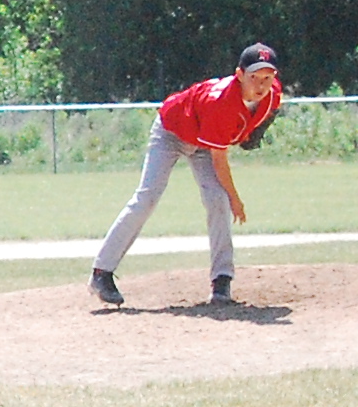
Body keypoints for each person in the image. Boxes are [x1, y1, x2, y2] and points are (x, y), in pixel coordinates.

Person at [89, 42, 285, 307]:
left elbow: (265, 111)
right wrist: (236, 199)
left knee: (216, 199)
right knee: (148, 197)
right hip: (172, 132)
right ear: (239, 74)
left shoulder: (272, 94)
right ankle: (101, 273)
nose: (261, 84)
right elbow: (220, 161)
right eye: (254, 77)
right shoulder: (221, 102)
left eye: (267, 77)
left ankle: (222, 280)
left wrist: (250, 129)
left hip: (204, 141)